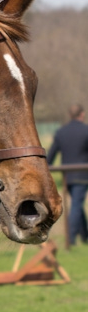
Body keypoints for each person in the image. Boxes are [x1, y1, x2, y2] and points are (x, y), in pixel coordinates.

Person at [47, 103, 88, 246]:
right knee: (77, 204)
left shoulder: (61, 132)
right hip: (83, 176)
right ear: (82, 114)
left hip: (67, 177)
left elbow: (51, 155)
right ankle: (70, 239)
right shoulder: (86, 130)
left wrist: (47, 169)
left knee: (77, 204)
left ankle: (85, 236)